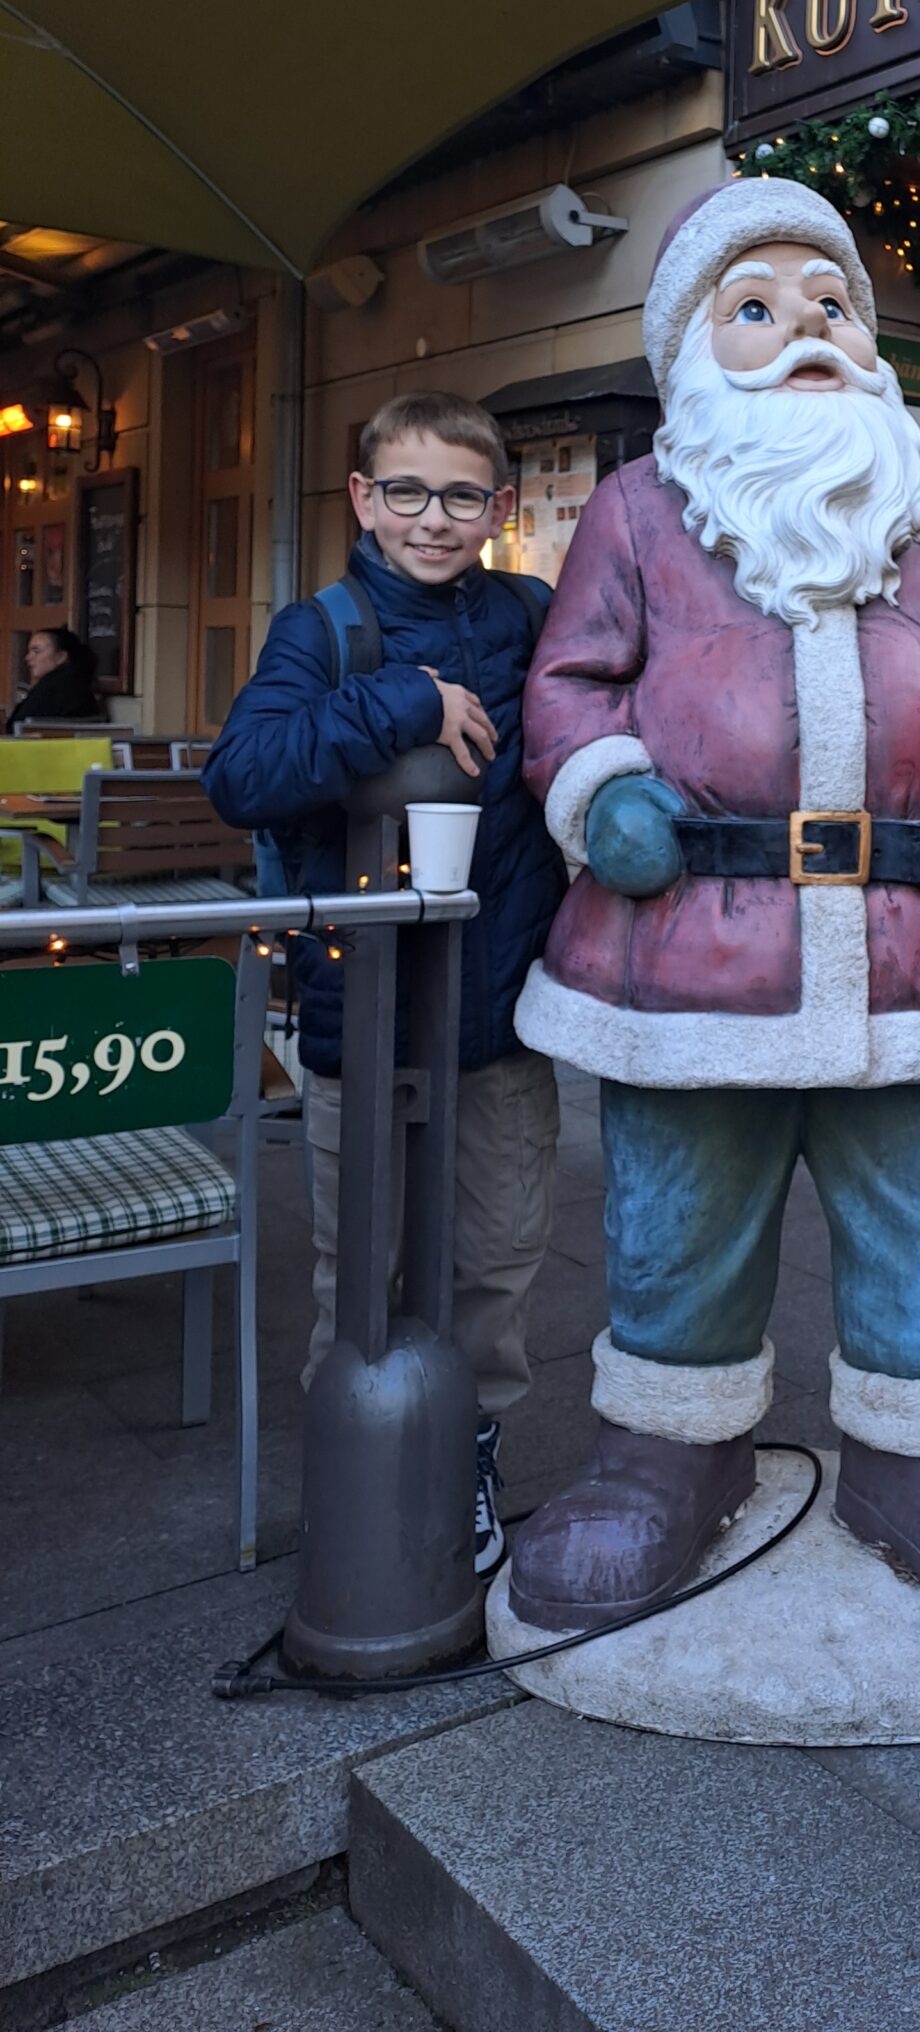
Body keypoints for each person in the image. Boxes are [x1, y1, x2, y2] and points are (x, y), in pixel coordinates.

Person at [504, 179, 920, 1658]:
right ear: (693, 347)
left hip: (916, 941)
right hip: (697, 941)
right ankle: (670, 1451)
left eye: (830, 303)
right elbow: (570, 681)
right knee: (682, 1208)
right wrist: (604, 792)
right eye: (758, 305)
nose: (805, 330)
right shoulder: (639, 511)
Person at [205, 392, 567, 1575]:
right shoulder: (324, 629)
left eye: (461, 494)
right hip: (357, 1022)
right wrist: (407, 698)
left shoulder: (533, 615)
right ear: (364, 498)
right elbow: (243, 774)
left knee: (496, 1265)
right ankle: (354, 1487)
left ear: (498, 506)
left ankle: (465, 1456)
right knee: (359, 1271)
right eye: (407, 490)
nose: (433, 517)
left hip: (499, 1017)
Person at [6, 626, 100, 732]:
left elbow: (16, 726)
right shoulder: (79, 684)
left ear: (61, 657)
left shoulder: (51, 690)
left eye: (36, 651)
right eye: (29, 652)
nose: (28, 658)